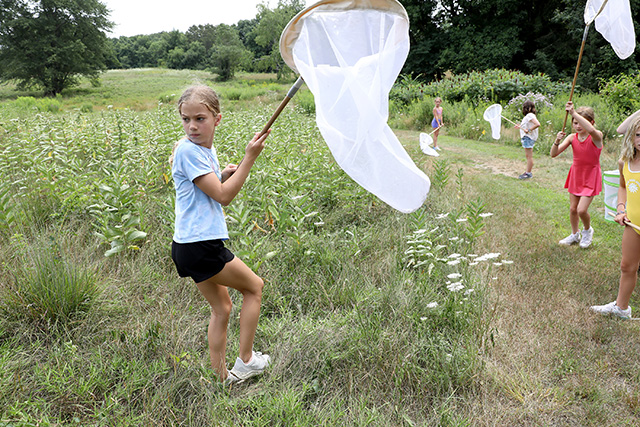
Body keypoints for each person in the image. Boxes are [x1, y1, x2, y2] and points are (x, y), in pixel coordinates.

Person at [170, 85, 271, 384]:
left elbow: (211, 189)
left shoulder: (203, 150)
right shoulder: (188, 150)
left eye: (199, 118)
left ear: (217, 119)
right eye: (186, 119)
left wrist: (222, 175)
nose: (192, 126)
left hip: (188, 245)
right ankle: (247, 361)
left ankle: (220, 376)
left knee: (222, 307)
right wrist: (249, 157)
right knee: (254, 287)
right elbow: (224, 197)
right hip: (200, 245)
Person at [590, 115, 640, 319]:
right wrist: (621, 209)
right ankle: (621, 308)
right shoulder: (625, 162)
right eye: (638, 134)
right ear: (631, 137)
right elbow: (623, 186)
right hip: (633, 225)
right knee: (627, 266)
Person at [551, 101, 603, 249]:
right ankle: (575, 234)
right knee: (573, 209)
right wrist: (557, 140)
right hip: (576, 175)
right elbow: (553, 154)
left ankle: (587, 231)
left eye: (581, 122)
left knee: (581, 210)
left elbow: (592, 131)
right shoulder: (572, 138)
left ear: (591, 122)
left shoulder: (596, 136)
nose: (578, 126)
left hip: (591, 176)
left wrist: (574, 113)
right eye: (575, 123)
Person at [515, 100, 540, 180]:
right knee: (528, 156)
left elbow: (537, 124)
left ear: (529, 108)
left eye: (525, 107)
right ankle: (528, 172)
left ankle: (528, 173)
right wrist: (520, 126)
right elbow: (527, 126)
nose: (524, 109)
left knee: (529, 156)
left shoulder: (530, 115)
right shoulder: (529, 116)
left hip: (528, 138)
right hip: (528, 138)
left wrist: (529, 130)